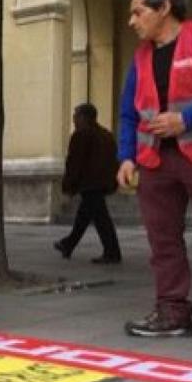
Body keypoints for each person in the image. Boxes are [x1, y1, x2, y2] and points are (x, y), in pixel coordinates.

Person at [116, 0, 192, 351]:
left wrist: (187, 119)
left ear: (164, 8)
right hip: (155, 161)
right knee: (163, 241)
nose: (132, 21)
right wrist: (126, 157)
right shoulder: (141, 58)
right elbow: (129, 112)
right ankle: (172, 313)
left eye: (138, 12)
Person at [53, 103, 122, 264]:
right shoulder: (106, 135)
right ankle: (68, 244)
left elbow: (75, 163)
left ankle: (112, 252)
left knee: (99, 219)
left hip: (90, 184)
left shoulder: (81, 135)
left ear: (84, 117)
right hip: (103, 183)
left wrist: (68, 185)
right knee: (87, 216)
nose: (74, 119)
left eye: (76, 115)